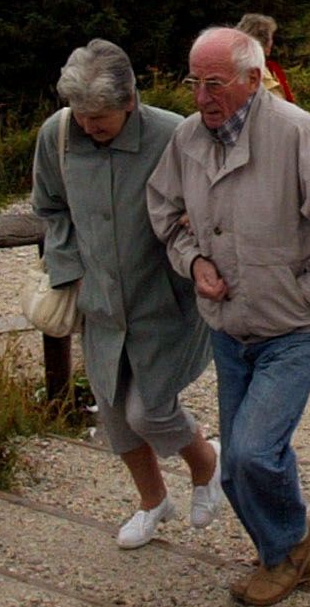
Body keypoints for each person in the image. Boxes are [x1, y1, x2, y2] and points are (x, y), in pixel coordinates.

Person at [146, 28, 310, 607]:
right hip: (230, 326)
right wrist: (195, 259)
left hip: (298, 329)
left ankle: (287, 552)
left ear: (254, 80)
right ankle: (283, 548)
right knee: (238, 468)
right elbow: (166, 210)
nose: (203, 96)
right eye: (195, 83)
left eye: (215, 83)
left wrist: (303, 295)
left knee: (252, 452)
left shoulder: (299, 136)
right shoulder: (186, 139)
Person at [32, 41, 219, 549]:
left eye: (101, 117)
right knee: (116, 416)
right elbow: (50, 208)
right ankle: (153, 503)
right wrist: (66, 269)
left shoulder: (174, 134)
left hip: (166, 300)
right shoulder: (58, 136)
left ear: (131, 100)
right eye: (81, 114)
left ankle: (207, 467)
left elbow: (212, 202)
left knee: (149, 411)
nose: (88, 126)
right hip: (100, 305)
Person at [236, 12, 296, 102]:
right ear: (263, 42)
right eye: (271, 38)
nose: (272, 43)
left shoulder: (232, 65)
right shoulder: (256, 71)